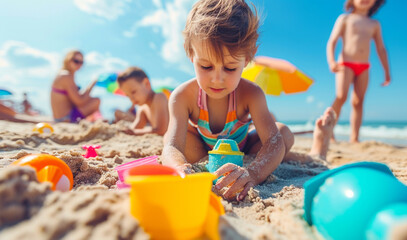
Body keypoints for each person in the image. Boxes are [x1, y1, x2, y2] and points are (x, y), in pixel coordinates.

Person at [162, 0, 336, 201]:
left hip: (243, 149)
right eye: (206, 67)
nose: (217, 79)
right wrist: (178, 168)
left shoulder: (251, 93)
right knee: (174, 141)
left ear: (247, 58)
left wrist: (253, 173)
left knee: (282, 134)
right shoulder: (183, 96)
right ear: (191, 54)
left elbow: (273, 141)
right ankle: (311, 155)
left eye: (229, 68)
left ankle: (316, 154)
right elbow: (172, 146)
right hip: (203, 150)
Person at [327, 0, 390, 143]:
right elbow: (332, 41)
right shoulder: (345, 18)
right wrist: (331, 61)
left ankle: (354, 137)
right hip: (345, 64)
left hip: (364, 66)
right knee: (341, 96)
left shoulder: (374, 24)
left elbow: (381, 49)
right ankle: (329, 130)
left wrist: (386, 71)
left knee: (358, 102)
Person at [51, 50, 100, 123]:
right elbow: (80, 102)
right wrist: (92, 84)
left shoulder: (63, 74)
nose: (79, 65)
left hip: (60, 118)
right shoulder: (66, 76)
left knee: (91, 99)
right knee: (96, 101)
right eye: (76, 61)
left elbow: (76, 98)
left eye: (81, 62)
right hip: (65, 119)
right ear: (68, 60)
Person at [117, 66, 169, 135]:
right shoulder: (143, 108)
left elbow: (162, 129)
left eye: (133, 92)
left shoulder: (159, 97)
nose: (131, 98)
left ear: (146, 84)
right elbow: (135, 128)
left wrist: (134, 132)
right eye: (128, 96)